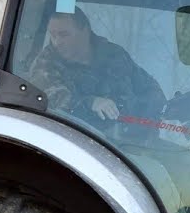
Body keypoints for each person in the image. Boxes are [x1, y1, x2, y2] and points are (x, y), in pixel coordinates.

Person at [26, 7, 166, 128]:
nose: (57, 42)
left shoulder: (114, 55)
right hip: (78, 141)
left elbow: (148, 86)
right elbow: (50, 99)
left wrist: (159, 107)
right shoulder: (46, 62)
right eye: (53, 35)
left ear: (85, 31)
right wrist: (91, 103)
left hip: (131, 143)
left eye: (64, 35)